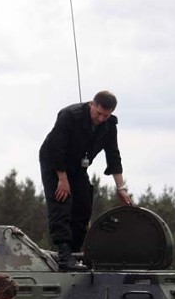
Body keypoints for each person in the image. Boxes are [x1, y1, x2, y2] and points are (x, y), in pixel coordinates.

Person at [39, 90, 132, 270]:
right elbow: (57, 147)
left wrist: (121, 187)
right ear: (92, 104)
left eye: (106, 115)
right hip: (54, 163)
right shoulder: (69, 116)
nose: (101, 118)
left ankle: (74, 253)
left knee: (83, 206)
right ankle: (64, 255)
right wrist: (62, 178)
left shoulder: (109, 125)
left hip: (79, 167)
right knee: (62, 202)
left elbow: (113, 155)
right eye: (98, 113)